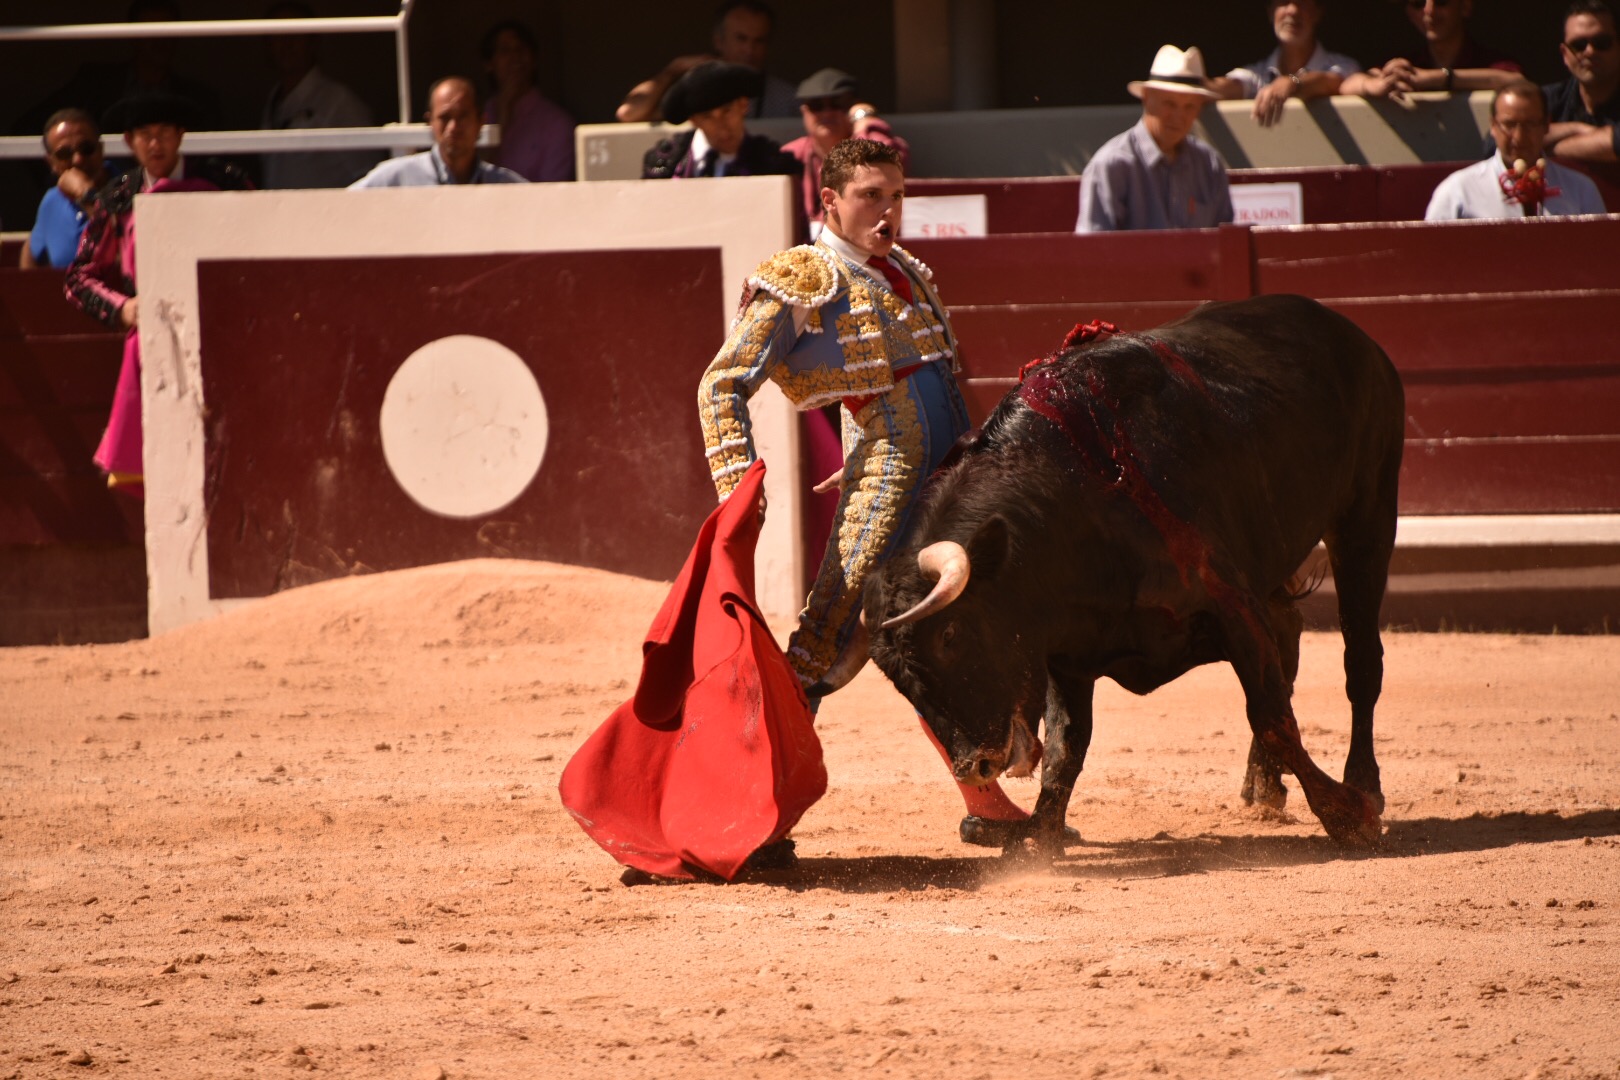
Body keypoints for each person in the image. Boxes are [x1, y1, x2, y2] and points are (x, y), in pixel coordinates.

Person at [697, 138, 1060, 849]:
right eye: (870, 195)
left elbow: (931, 385)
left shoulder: (906, 271)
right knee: (825, 650)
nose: (888, 210)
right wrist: (736, 482)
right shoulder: (804, 275)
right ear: (827, 200)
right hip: (890, 491)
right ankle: (748, 814)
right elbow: (722, 382)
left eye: (895, 194)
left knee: (944, 638)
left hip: (946, 485)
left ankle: (984, 804)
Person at [63, 91, 250, 492]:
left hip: (224, 328)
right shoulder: (119, 195)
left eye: (164, 132)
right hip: (153, 339)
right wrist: (123, 308)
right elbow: (79, 278)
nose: (155, 143)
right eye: (145, 134)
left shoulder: (226, 180)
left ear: (181, 135)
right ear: (130, 142)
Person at [1077, 46, 1234, 232]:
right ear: (1146, 98)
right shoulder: (1111, 165)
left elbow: (1226, 244)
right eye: (1170, 104)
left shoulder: (1209, 164)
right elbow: (1094, 253)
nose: (1179, 116)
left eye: (1189, 107)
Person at [1425, 82, 1607, 218]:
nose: (1519, 137)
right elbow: (1432, 257)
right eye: (1509, 125)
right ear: (1493, 126)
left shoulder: (1581, 190)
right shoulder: (1459, 190)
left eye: (1530, 124)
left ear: (1546, 125)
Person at [260, 1, 381, 189]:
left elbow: (369, 174)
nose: (287, 43)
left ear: (313, 41)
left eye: (296, 34)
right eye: (277, 34)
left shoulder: (340, 102)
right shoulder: (272, 101)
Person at [1211, 0, 1391, 127]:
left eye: (1302, 1)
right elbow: (1228, 86)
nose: (1292, 10)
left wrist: (1292, 83)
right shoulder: (1257, 73)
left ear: (1318, 12)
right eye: (1283, 1)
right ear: (1270, 11)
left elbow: (1333, 82)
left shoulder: (1344, 66)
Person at [616, 1, 797, 123]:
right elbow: (628, 113)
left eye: (759, 41)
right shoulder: (693, 91)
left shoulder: (786, 97)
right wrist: (672, 71)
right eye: (741, 39)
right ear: (719, 41)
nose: (749, 50)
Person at [781, 69, 908, 236]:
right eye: (816, 106)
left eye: (837, 104)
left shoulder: (870, 143)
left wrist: (865, 118)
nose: (827, 113)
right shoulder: (792, 153)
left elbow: (888, 156)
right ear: (805, 112)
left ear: (852, 107)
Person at [349, 77, 525, 187]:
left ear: (480, 122)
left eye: (463, 116)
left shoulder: (506, 186)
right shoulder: (396, 178)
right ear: (430, 122)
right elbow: (340, 207)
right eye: (444, 118)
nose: (453, 127)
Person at [641, 62, 797, 178]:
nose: (722, 127)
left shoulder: (773, 164)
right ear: (694, 120)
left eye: (727, 111)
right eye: (707, 117)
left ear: (743, 106)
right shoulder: (664, 163)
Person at [480, 20, 575, 183]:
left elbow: (552, 193)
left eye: (521, 49)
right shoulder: (474, 118)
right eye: (505, 51)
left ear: (534, 60)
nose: (515, 57)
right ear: (489, 64)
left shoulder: (557, 124)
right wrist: (502, 120)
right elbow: (470, 179)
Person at [1364, 0, 1523, 96]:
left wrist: (1436, 78)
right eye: (1418, 3)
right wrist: (1377, 84)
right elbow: (1349, 82)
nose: (1429, 11)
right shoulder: (1408, 63)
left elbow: (1518, 82)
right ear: (1409, 13)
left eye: (1441, 1)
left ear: (1465, 6)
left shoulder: (1489, 61)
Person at [22, 109, 113, 269]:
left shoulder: (130, 187)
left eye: (86, 148)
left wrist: (87, 195)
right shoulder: (51, 200)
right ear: (51, 162)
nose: (78, 159)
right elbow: (30, 252)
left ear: (101, 149)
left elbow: (120, 247)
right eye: (64, 153)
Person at [1543, 0, 1620, 164]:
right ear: (1564, 54)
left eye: (1602, 43)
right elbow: (1494, 146)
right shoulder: (1547, 100)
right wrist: (1575, 128)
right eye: (1579, 45)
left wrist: (1548, 148)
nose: (1590, 52)